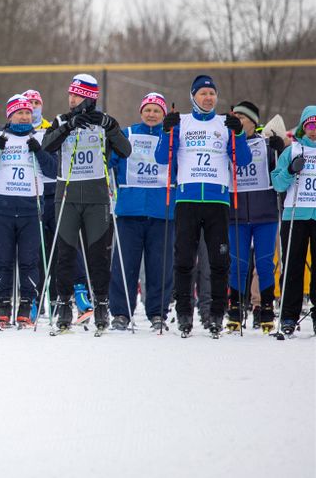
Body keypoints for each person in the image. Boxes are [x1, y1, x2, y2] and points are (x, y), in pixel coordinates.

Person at [157, 75, 251, 336]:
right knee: (184, 260)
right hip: (186, 200)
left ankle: (216, 314)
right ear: (193, 97)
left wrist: (239, 133)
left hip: (217, 200)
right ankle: (185, 313)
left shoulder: (224, 123)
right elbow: (161, 158)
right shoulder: (182, 122)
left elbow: (241, 160)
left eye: (212, 93)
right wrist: (167, 131)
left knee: (219, 262)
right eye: (203, 93)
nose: (208, 98)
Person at [42, 74, 132, 332]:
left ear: (90, 97)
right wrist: (68, 126)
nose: (72, 99)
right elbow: (46, 146)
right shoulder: (61, 120)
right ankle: (64, 305)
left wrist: (110, 126)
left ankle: (102, 304)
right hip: (67, 196)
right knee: (65, 255)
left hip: (97, 197)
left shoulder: (105, 123)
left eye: (78, 95)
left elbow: (125, 151)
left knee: (98, 256)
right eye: (70, 94)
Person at [0, 94, 56, 327]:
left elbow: (53, 170)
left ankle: (26, 305)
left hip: (30, 208)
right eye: (19, 113)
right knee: (2, 260)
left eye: (27, 112)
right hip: (3, 207)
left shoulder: (41, 137)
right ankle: (3, 305)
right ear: (10, 115)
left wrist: (39, 151)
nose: (24, 116)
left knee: (29, 260)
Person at [108, 93, 175, 330]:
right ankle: (121, 312)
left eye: (157, 110)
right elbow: (110, 160)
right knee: (125, 265)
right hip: (130, 209)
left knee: (160, 266)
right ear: (141, 112)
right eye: (147, 109)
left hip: (162, 211)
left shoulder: (171, 136)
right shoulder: (127, 134)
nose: (151, 114)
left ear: (163, 114)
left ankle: (157, 312)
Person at [226, 101, 283, 332]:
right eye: (235, 115)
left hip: (265, 214)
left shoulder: (267, 144)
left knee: (264, 263)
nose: (237, 119)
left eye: (242, 116)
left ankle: (266, 309)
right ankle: (235, 310)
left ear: (253, 122)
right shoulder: (226, 143)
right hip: (236, 214)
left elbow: (280, 173)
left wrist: (281, 149)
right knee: (238, 263)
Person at [270, 107, 316, 336]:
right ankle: (289, 315)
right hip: (295, 214)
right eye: (310, 125)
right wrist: (290, 169)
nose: (314, 130)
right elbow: (277, 183)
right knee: (293, 267)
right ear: (303, 127)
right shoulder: (293, 150)